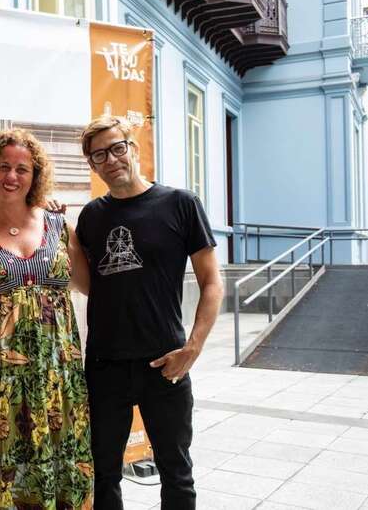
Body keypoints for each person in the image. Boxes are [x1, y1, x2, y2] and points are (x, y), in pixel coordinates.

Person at [75, 116, 224, 509]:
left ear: (133, 147)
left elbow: (212, 281)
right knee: (103, 472)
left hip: (165, 362)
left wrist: (192, 348)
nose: (110, 160)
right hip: (105, 365)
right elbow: (92, 284)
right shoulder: (91, 216)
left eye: (117, 148)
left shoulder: (181, 204)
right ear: (93, 165)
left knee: (176, 471)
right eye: (98, 155)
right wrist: (63, 235)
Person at [0, 129, 94, 508]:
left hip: (58, 372)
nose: (12, 176)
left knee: (62, 457)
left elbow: (88, 285)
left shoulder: (60, 227)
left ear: (36, 177)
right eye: (4, 167)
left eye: (23, 169)